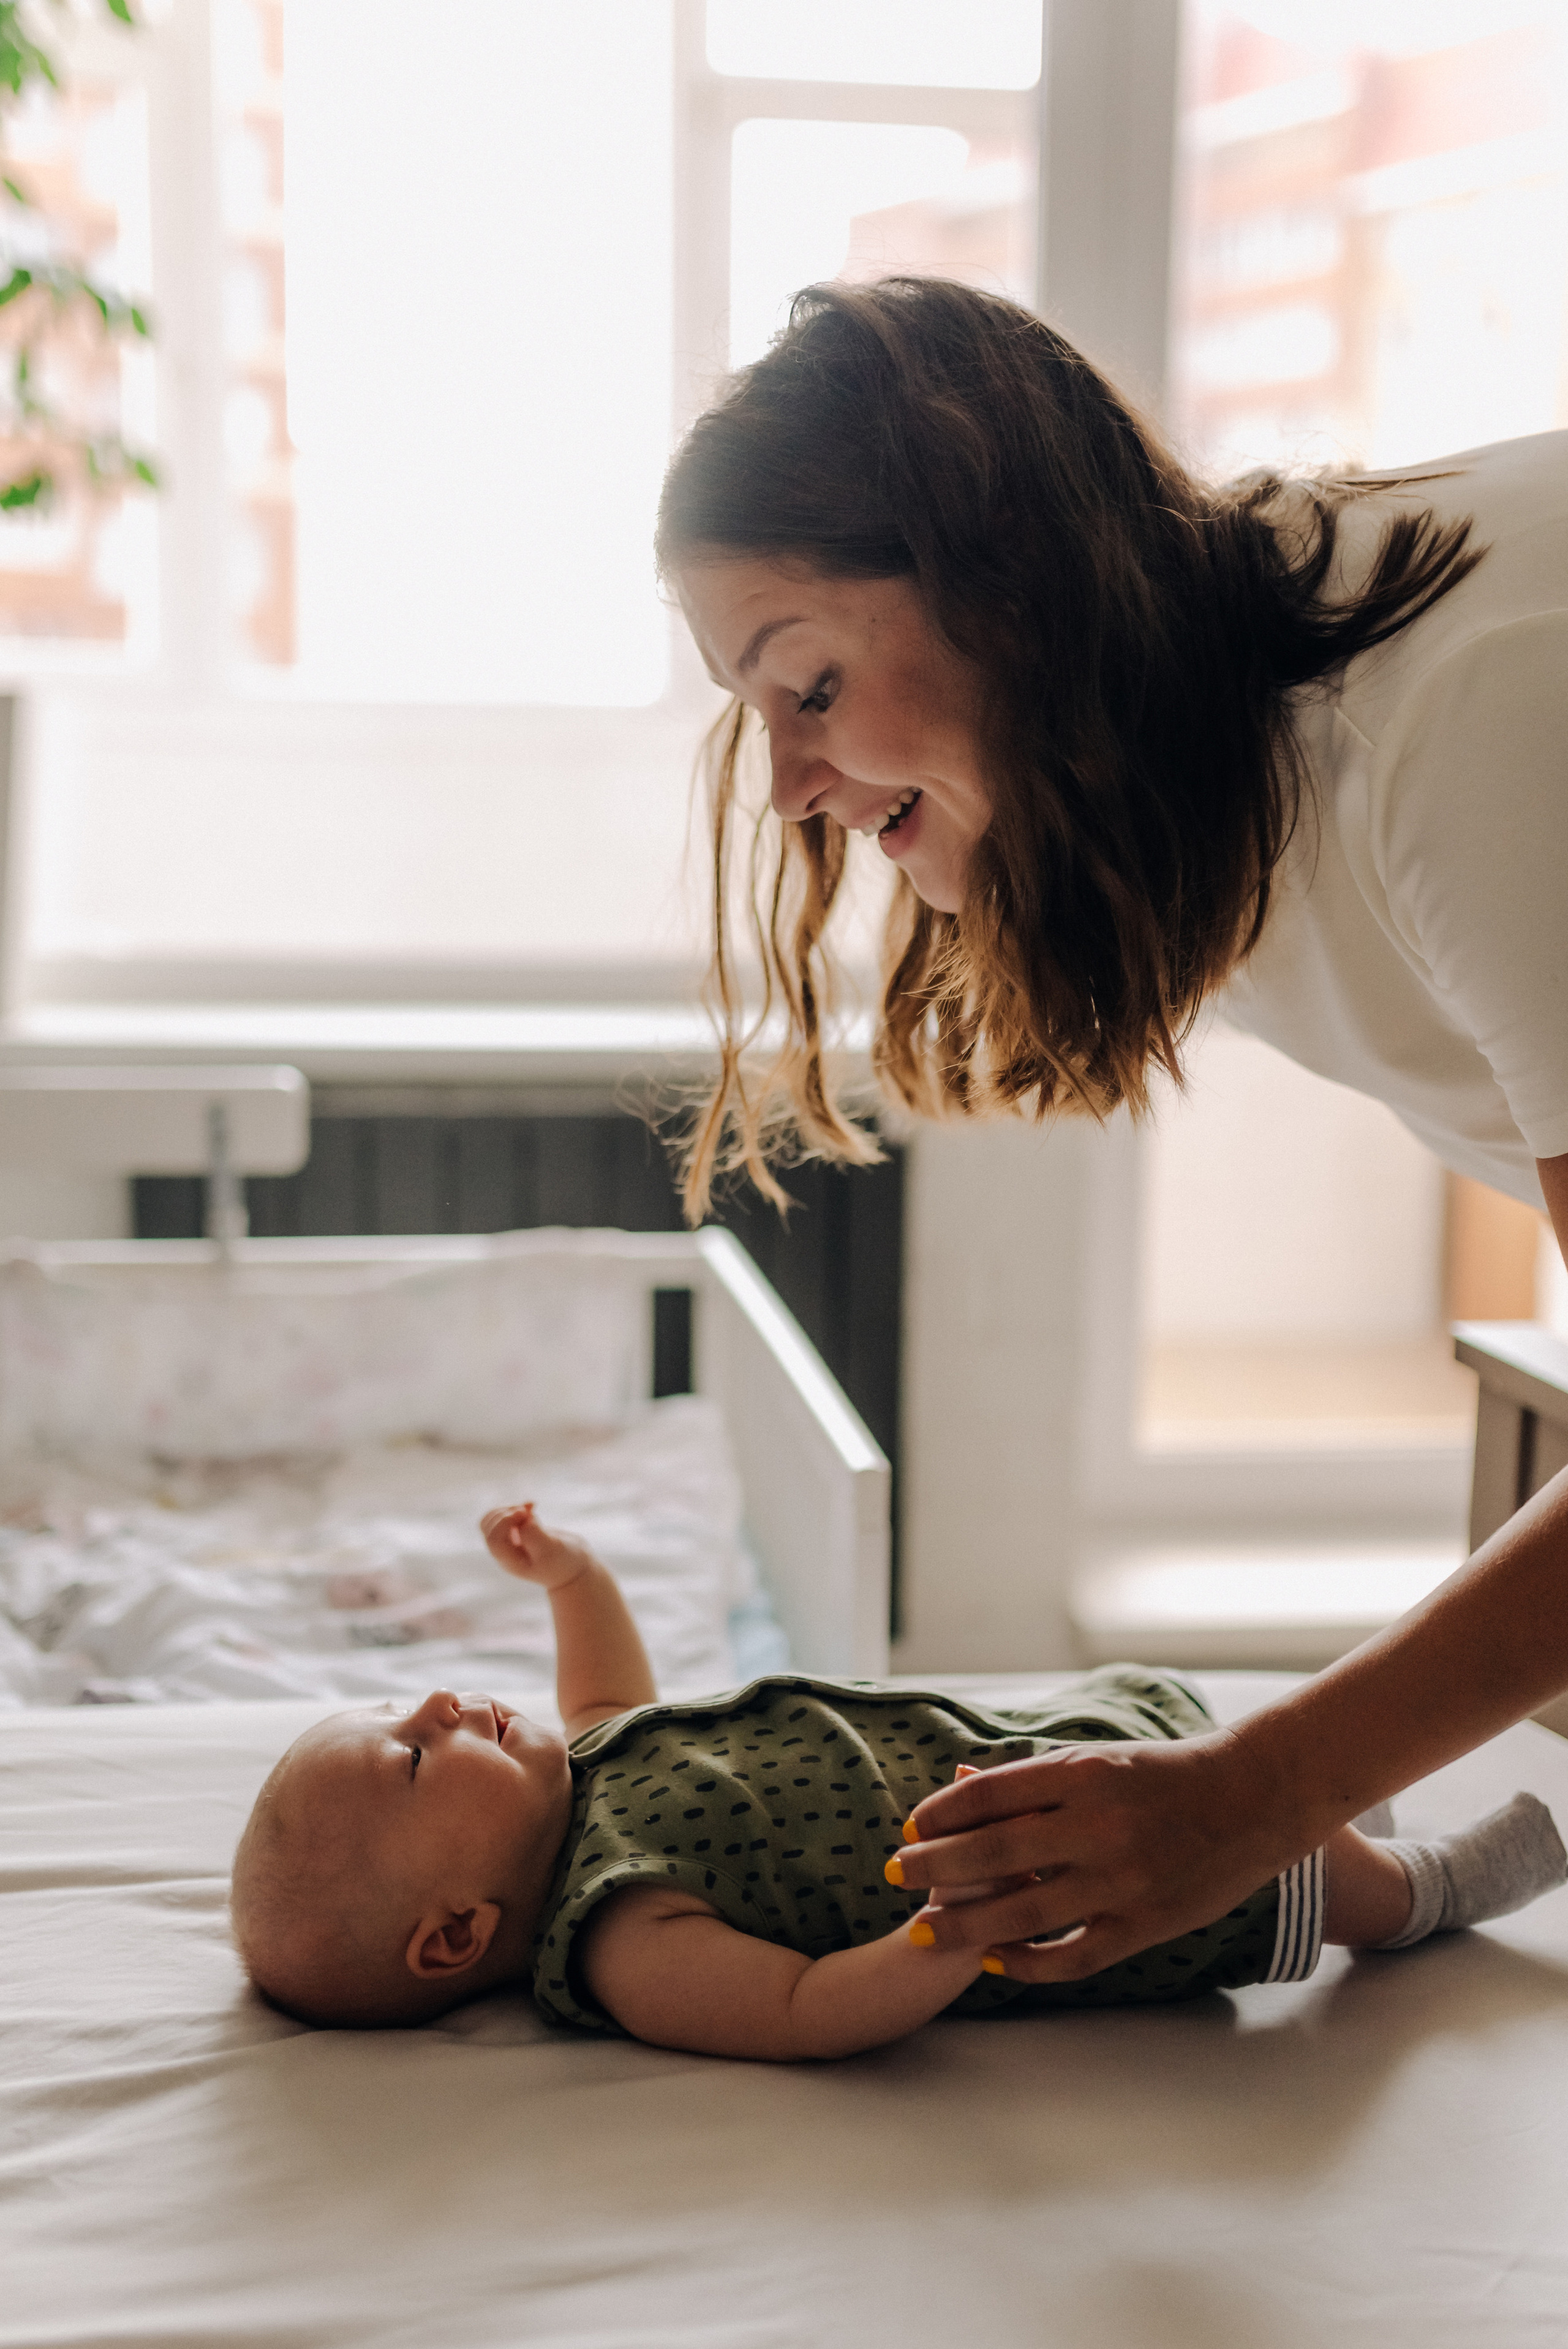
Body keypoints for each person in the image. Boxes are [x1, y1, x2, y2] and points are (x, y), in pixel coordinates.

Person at [654, 274, 1568, 1986]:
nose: (787, 788)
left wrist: (1262, 1789)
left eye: (810, 684)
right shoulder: (1202, 772)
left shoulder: (1458, 732)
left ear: (1006, 581)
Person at [230, 1505, 1564, 2053]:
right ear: (455, 1931)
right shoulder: (622, 1941)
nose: (437, 1704)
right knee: (1319, 1880)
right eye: (414, 1752)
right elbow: (803, 2008)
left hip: (1048, 1752)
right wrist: (949, 1931)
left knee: (1250, 1752)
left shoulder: (587, 1766)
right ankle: (1425, 1892)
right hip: (1067, 1877)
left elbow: (600, 1693)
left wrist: (577, 1580)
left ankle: (1353, 1801)